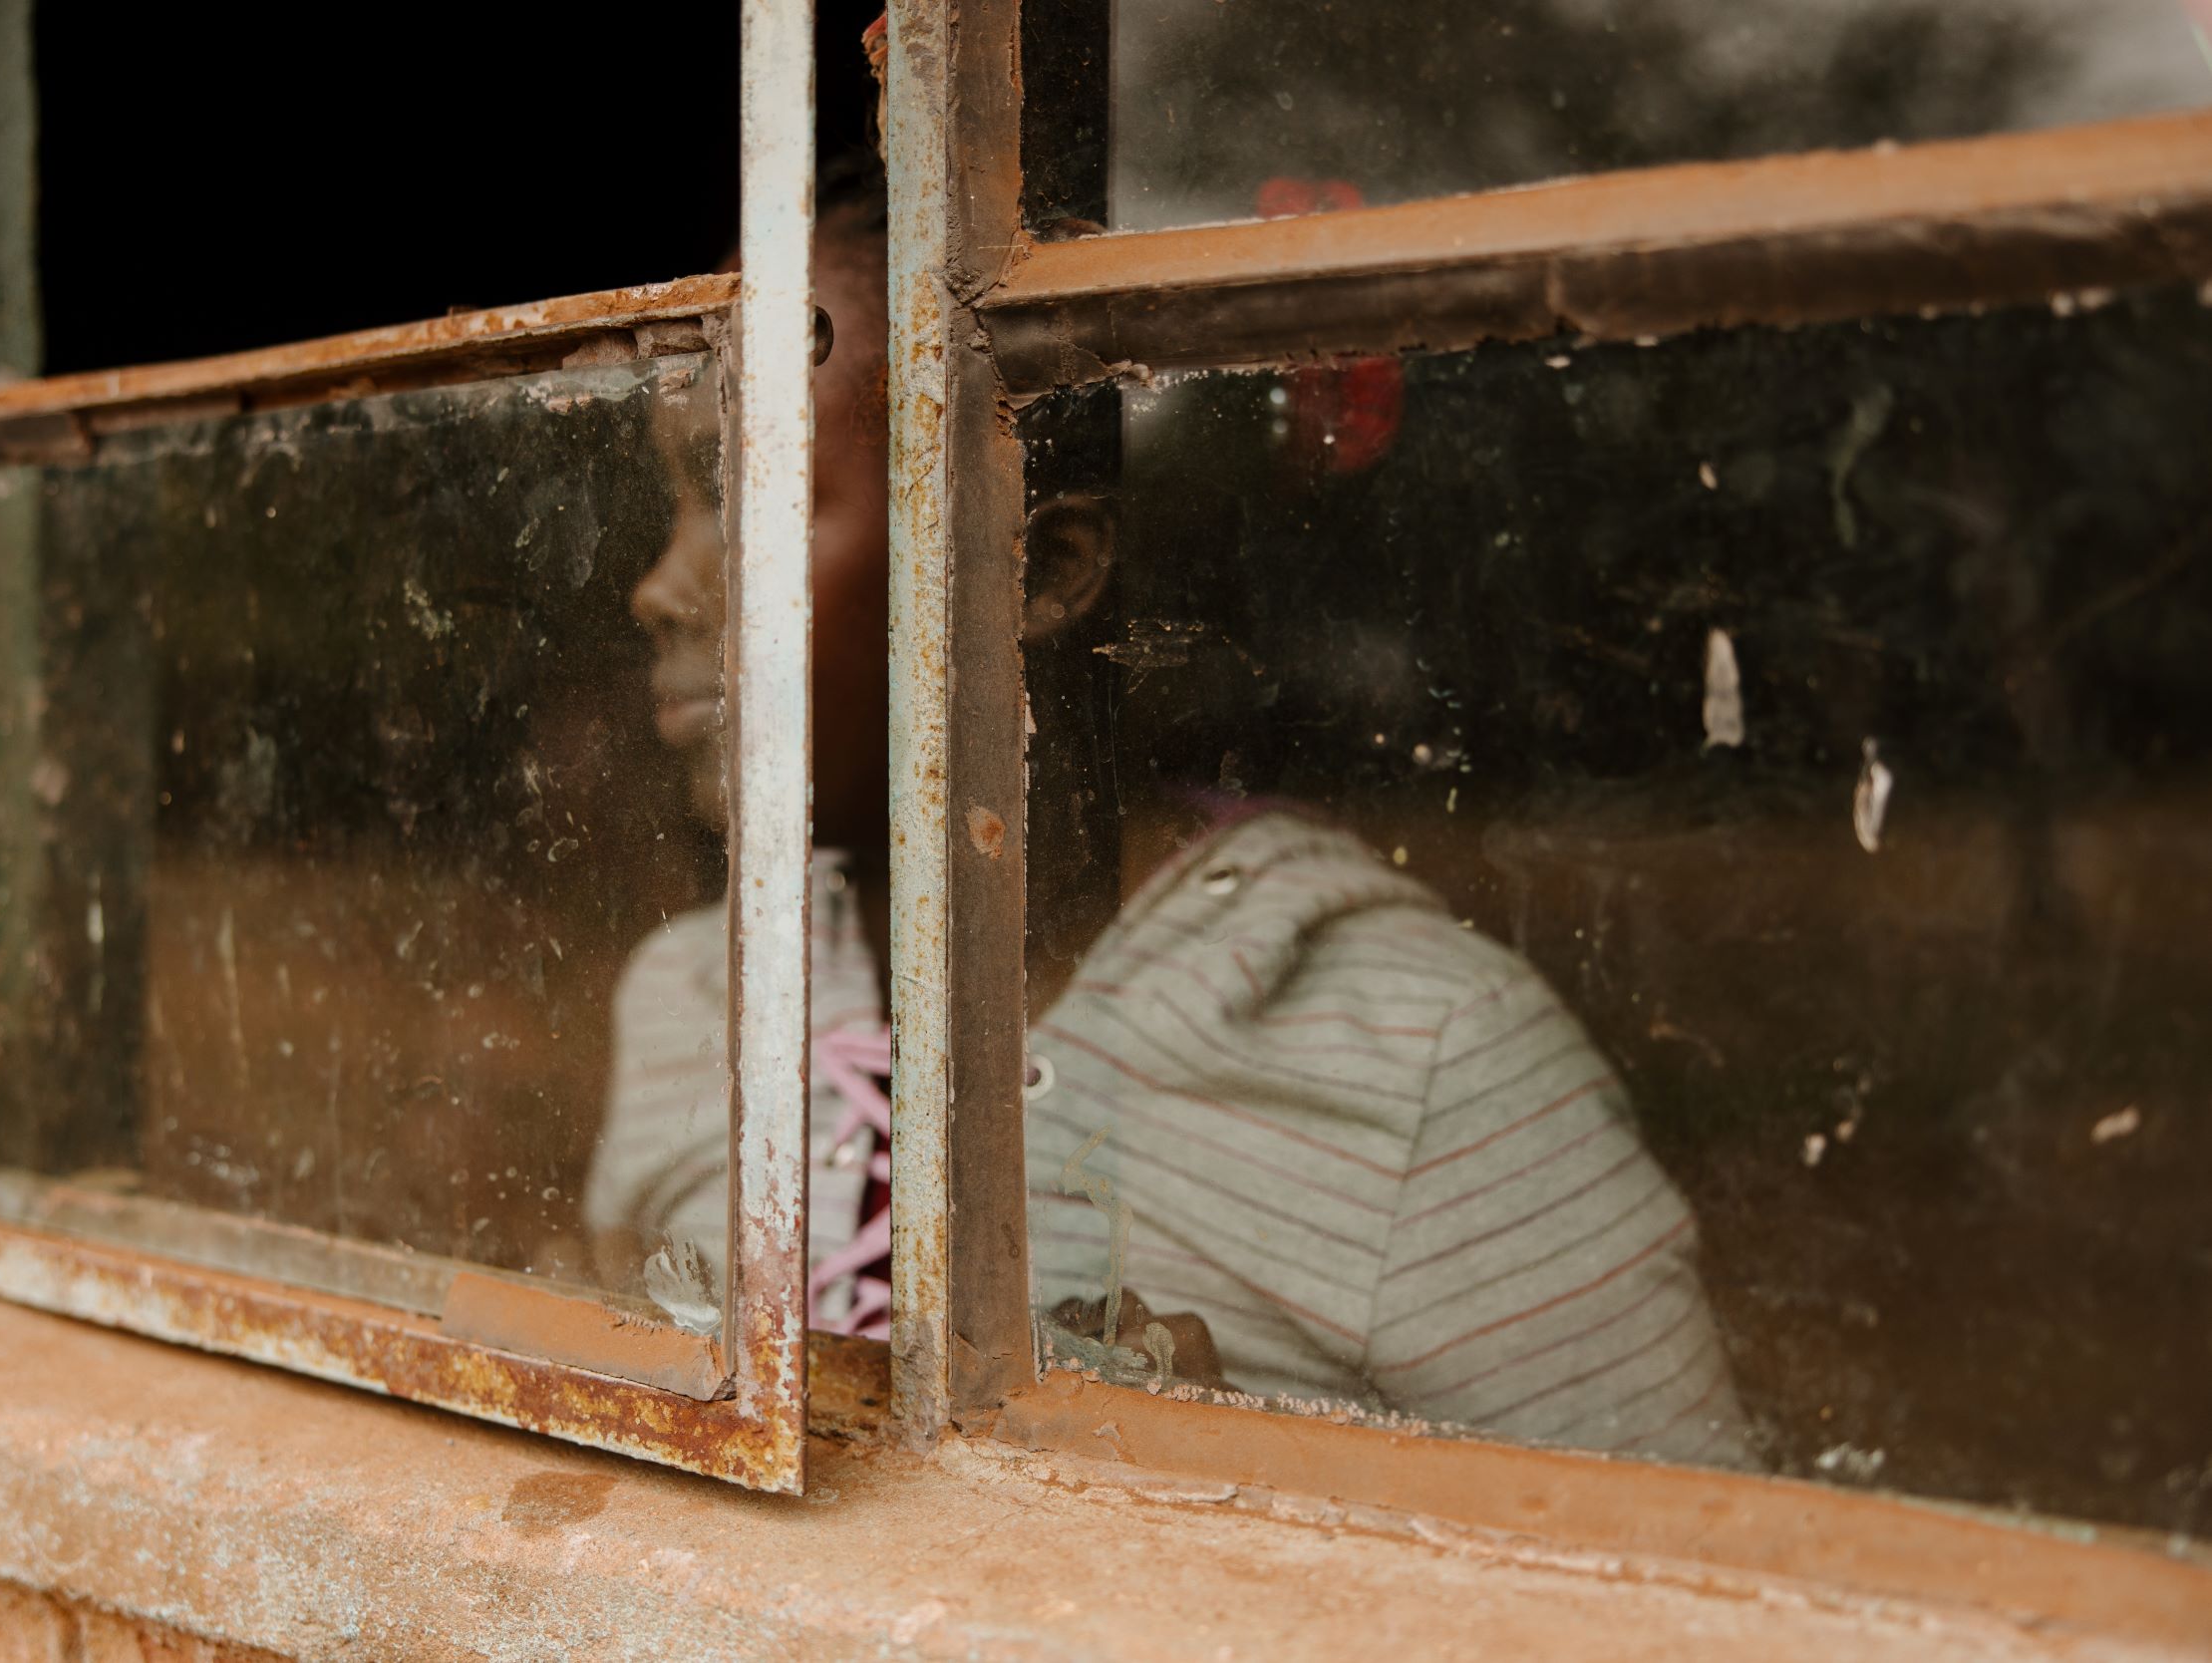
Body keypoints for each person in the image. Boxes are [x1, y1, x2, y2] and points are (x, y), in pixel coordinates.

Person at [580, 169, 1756, 1469]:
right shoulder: (695, 1000)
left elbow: (1702, 1588)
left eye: (748, 498)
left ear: (1036, 566)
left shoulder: (1418, 1065)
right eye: (675, 505)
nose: (658, 588)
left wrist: (1245, 1487)